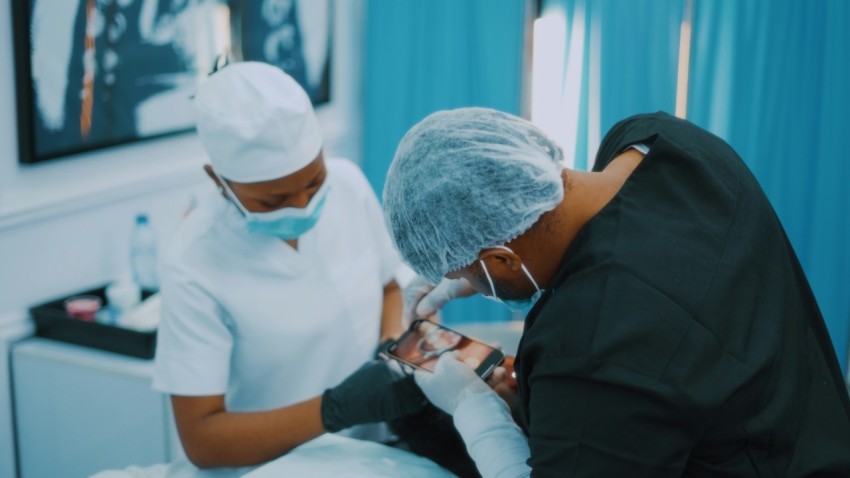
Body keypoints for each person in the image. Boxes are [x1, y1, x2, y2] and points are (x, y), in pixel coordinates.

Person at [382, 108, 850, 477]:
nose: (466, 285)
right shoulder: (662, 142)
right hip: (814, 435)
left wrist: (474, 409)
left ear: (502, 258)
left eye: (467, 273)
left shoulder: (589, 341)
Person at [151, 61, 427, 475]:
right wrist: (334, 409)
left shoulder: (348, 184)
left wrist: (390, 349)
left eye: (314, 182)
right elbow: (202, 440)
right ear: (217, 180)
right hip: (269, 468)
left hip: (371, 455)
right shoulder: (194, 261)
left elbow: (388, 285)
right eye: (273, 201)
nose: (303, 206)